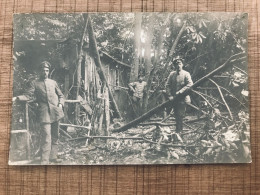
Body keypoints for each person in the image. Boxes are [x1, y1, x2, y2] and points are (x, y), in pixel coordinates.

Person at [13, 61, 64, 164]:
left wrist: (60, 104)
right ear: (40, 71)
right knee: (46, 136)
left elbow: (61, 96)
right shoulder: (35, 83)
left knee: (55, 136)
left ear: (48, 71)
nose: (45, 72)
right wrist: (17, 98)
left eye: (47, 70)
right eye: (43, 70)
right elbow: (28, 96)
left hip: (56, 112)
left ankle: (53, 157)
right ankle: (44, 161)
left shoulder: (53, 82)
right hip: (44, 113)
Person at [165, 58, 193, 133]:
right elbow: (167, 85)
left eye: (180, 64)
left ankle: (179, 131)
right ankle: (178, 131)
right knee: (176, 115)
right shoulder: (172, 74)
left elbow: (190, 84)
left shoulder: (186, 74)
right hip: (174, 98)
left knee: (180, 115)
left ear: (182, 64)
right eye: (176, 64)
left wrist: (181, 91)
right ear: (174, 66)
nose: (178, 65)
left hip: (183, 98)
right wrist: (170, 95)